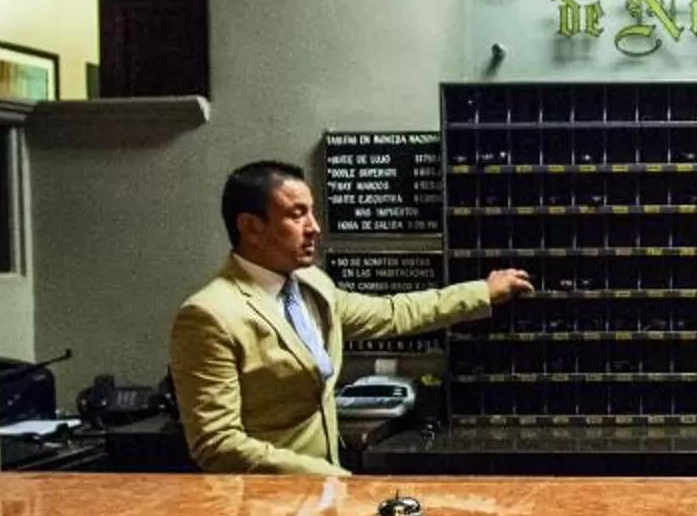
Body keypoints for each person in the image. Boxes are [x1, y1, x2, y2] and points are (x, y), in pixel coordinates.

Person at [171, 159, 532, 475]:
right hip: (268, 507)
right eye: (297, 214)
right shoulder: (210, 315)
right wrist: (327, 478)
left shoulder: (311, 284)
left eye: (312, 212)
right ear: (251, 227)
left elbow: (390, 313)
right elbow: (217, 444)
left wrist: (480, 292)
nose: (314, 227)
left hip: (324, 493)